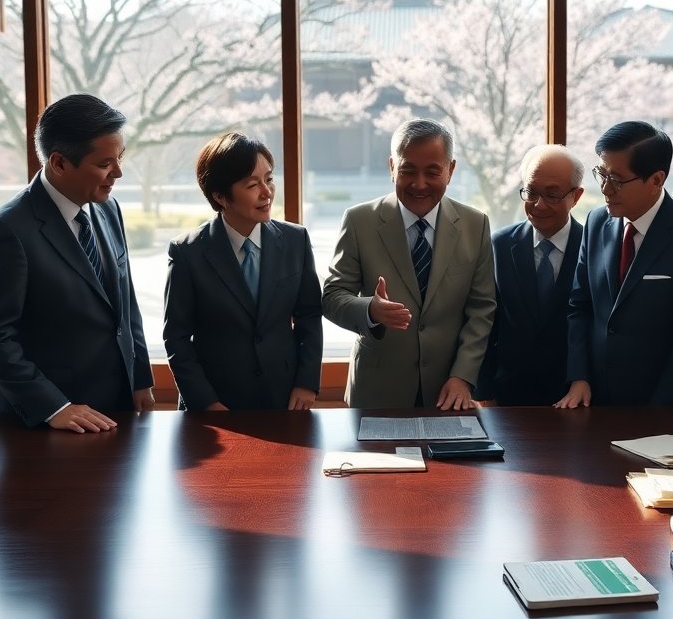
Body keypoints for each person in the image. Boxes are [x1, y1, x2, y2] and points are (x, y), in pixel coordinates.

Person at [0, 94, 154, 433]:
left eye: (120, 158)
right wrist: (54, 407)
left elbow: (125, 302)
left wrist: (140, 377)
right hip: (50, 422)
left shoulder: (107, 208)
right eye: (104, 164)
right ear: (59, 163)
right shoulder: (7, 230)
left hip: (118, 405)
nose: (118, 173)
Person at [322, 118, 495, 409]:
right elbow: (332, 296)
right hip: (376, 391)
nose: (419, 184)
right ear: (392, 167)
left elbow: (482, 309)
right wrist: (370, 310)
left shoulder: (475, 224)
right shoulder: (359, 220)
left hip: (448, 391)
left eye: (432, 172)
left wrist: (463, 376)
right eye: (407, 170)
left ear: (450, 170)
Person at [557, 121, 673, 409]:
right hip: (596, 400)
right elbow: (579, 305)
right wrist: (579, 377)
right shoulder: (597, 223)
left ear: (657, 180)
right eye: (602, 174)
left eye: (617, 180)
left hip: (667, 408)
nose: (606, 189)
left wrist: (656, 411)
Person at [163, 132, 322, 411]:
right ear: (220, 196)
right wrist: (206, 402)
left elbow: (309, 315)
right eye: (252, 184)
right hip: (216, 402)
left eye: (269, 179)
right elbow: (176, 338)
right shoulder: (187, 252)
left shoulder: (296, 240)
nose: (267, 192)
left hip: (284, 397)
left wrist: (306, 382)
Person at [476, 145, 585, 406]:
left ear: (576, 196)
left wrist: (583, 380)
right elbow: (486, 321)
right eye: (531, 192)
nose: (539, 204)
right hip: (507, 398)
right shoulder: (499, 245)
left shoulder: (593, 247)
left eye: (552, 195)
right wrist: (483, 392)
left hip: (573, 397)